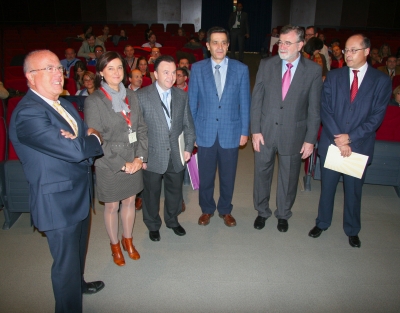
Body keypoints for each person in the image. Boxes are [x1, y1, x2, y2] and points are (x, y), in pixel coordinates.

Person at [9, 50, 104, 313]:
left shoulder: (64, 104)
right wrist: (93, 140)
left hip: (78, 192)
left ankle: (79, 283)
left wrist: (84, 138)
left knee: (77, 255)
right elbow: (79, 147)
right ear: (30, 77)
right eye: (48, 69)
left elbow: (83, 132)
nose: (57, 74)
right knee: (64, 267)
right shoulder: (28, 113)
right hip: (57, 202)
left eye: (59, 69)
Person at [308, 34, 392, 248]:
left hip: (359, 145)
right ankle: (322, 222)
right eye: (346, 50)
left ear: (366, 51)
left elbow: (377, 117)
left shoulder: (381, 81)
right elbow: (324, 109)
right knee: (327, 188)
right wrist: (339, 138)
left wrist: (351, 137)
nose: (348, 54)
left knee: (354, 191)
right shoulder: (334, 77)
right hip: (332, 143)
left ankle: (352, 229)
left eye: (354, 50)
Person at [251, 24, 322, 232]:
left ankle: (283, 213)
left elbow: (314, 109)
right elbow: (257, 100)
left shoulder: (313, 71)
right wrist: (255, 130)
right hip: (265, 131)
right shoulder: (267, 64)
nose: (282, 46)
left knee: (289, 176)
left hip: (294, 133)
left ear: (300, 45)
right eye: (280, 42)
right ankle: (262, 211)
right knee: (262, 173)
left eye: (288, 43)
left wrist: (310, 139)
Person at [84, 51, 148, 265]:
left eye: (119, 67)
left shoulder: (132, 96)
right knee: (112, 206)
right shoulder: (94, 101)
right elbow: (97, 141)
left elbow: (140, 128)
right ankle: (114, 246)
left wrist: (140, 157)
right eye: (110, 68)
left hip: (133, 157)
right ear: (101, 72)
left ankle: (127, 240)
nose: (116, 72)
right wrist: (123, 164)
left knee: (130, 201)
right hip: (109, 161)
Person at [189, 26, 250, 227]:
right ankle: (207, 209)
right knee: (206, 176)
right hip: (204, 131)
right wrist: (193, 132)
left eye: (224, 42)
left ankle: (225, 209)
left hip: (230, 131)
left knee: (228, 175)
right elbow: (192, 103)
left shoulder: (241, 69)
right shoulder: (197, 69)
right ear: (207, 45)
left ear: (228, 45)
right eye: (215, 42)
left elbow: (245, 103)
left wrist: (244, 131)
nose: (220, 46)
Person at [137, 55, 196, 242]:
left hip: (176, 153)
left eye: (173, 72)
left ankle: (172, 220)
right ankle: (153, 224)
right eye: (165, 72)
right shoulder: (141, 96)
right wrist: (141, 156)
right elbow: (137, 130)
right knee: (151, 193)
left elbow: (188, 124)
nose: (171, 76)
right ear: (155, 74)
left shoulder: (182, 95)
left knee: (174, 191)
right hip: (151, 154)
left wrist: (188, 147)